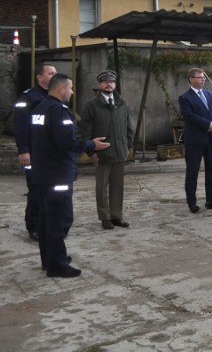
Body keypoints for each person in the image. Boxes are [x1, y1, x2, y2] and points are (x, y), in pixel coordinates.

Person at [30, 74, 110, 277]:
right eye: (71, 88)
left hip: (42, 173)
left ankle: (49, 259)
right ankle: (57, 265)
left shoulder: (39, 108)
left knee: (45, 218)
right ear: (60, 89)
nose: (72, 92)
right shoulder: (58, 111)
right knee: (60, 219)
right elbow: (67, 143)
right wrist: (92, 145)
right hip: (57, 174)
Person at [80, 70, 134, 230]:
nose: (108, 84)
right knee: (101, 186)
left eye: (111, 82)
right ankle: (105, 217)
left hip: (119, 152)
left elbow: (128, 126)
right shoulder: (91, 105)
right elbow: (86, 130)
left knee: (118, 186)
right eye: (105, 82)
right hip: (102, 153)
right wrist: (91, 152)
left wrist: (127, 146)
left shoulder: (122, 103)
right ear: (99, 85)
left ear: (115, 84)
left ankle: (117, 216)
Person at [13, 62, 58, 241]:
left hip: (51, 153)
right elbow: (20, 126)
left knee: (52, 190)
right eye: (50, 73)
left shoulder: (56, 97)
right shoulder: (28, 97)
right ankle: (34, 226)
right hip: (34, 152)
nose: (54, 75)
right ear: (40, 77)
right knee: (36, 190)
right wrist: (23, 150)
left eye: (55, 73)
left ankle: (49, 223)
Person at [179, 68, 212, 213]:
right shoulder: (185, 97)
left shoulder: (210, 94)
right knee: (193, 171)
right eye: (199, 77)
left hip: (211, 139)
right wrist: (208, 125)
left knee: (211, 169)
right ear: (191, 79)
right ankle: (192, 202)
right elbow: (190, 117)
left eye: (204, 77)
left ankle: (211, 200)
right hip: (195, 140)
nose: (203, 79)